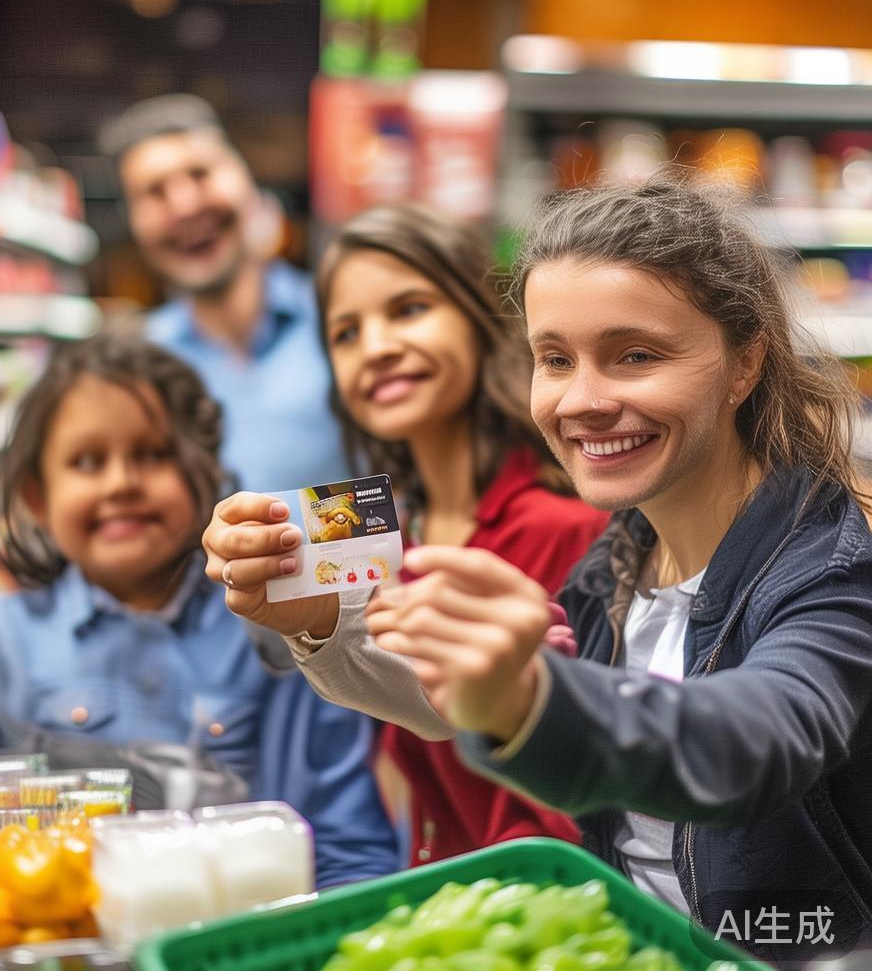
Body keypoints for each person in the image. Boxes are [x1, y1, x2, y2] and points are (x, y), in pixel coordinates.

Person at [202, 177, 872, 966]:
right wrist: (318, 620)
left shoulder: (832, 569)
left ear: (746, 361)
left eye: (635, 356)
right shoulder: (616, 565)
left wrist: (527, 696)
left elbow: (755, 740)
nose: (582, 400)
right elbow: (466, 697)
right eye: (555, 359)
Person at [0, 333, 398, 889]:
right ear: (38, 498)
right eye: (86, 462)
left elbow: (347, 847)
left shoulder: (281, 625)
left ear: (205, 473)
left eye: (153, 454)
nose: (121, 483)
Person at [299, 203, 607, 865]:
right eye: (345, 333)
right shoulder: (373, 530)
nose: (375, 347)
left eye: (408, 309)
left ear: (478, 317)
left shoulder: (567, 523)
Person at [98, 94, 347, 493]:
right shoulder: (132, 369)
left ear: (248, 180)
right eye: (155, 192)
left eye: (199, 174)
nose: (183, 204)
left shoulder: (344, 323)